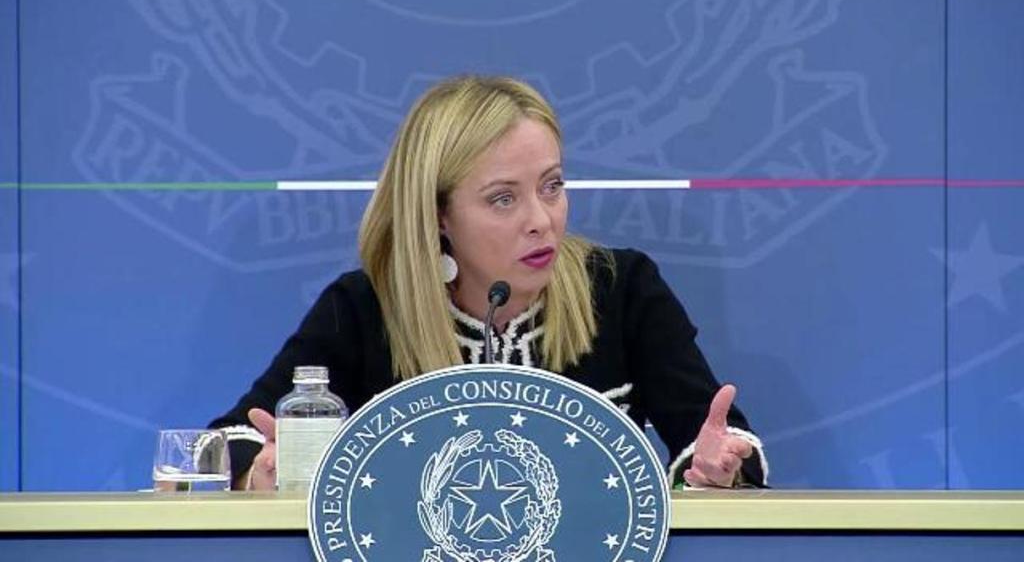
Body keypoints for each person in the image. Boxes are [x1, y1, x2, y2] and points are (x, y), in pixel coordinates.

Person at [210, 75, 768, 491]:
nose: (541, 219)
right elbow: (234, 440)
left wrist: (717, 468)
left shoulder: (621, 289)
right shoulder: (364, 307)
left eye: (552, 186)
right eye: (503, 199)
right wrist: (257, 472)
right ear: (439, 216)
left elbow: (713, 443)